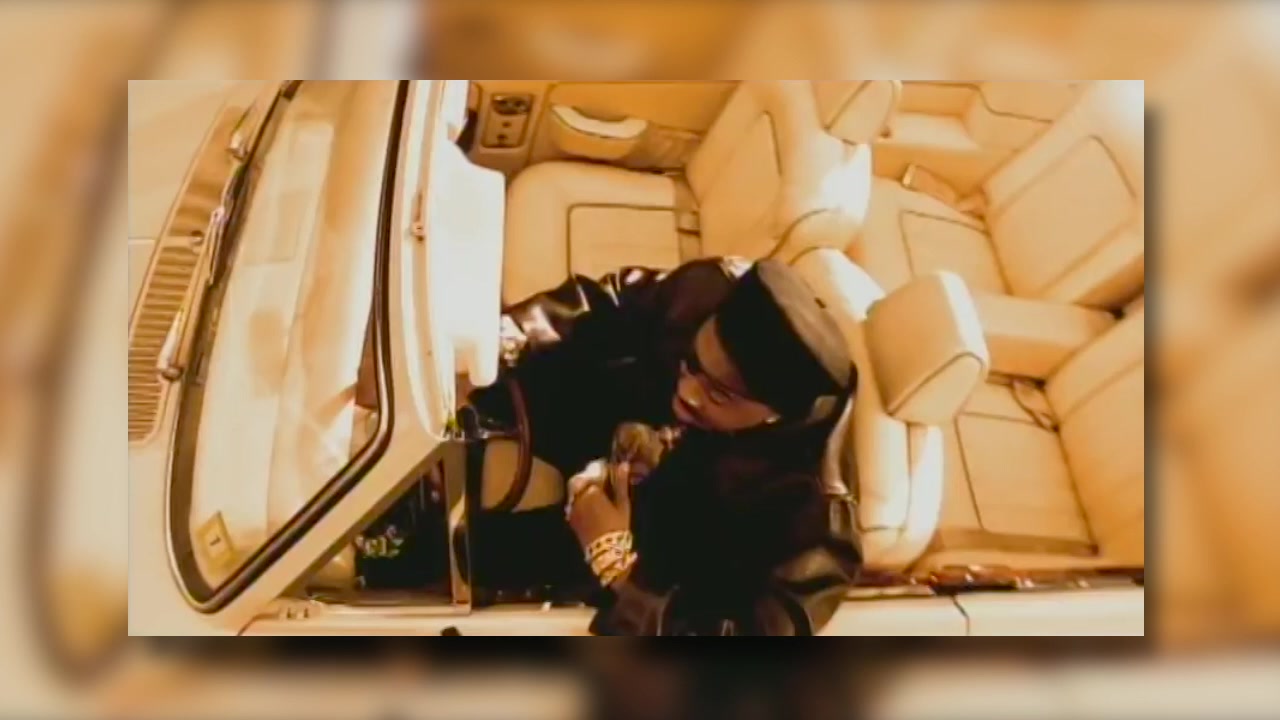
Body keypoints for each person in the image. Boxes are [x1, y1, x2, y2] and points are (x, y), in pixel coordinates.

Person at [464, 257, 862, 635]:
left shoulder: (817, 518)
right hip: (622, 417)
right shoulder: (712, 290)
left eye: (718, 394)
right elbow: (607, 303)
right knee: (488, 386)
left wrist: (616, 565)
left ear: (774, 414)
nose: (687, 392)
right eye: (692, 362)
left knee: (478, 556)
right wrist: (504, 341)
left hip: (669, 547)